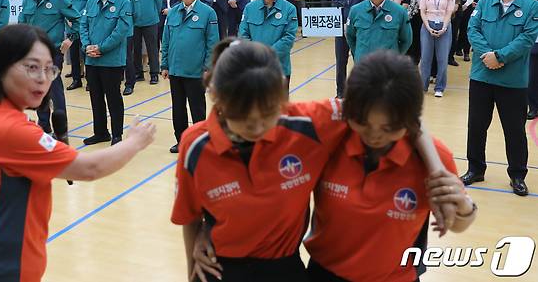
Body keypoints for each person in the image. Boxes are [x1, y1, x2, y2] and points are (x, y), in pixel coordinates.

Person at [179, 43, 462, 282]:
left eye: (267, 114)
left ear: (282, 94)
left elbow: (398, 113)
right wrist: (200, 247)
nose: (256, 127)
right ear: (216, 96)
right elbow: (189, 217)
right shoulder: (195, 145)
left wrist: (436, 169)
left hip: (285, 268)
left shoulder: (309, 123)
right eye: (242, 117)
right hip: (221, 265)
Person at [0, 24, 156, 282]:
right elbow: (89, 169)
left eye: (49, 69)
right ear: (1, 66)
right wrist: (135, 142)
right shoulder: (8, 130)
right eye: (32, 67)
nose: (43, 78)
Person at [304, 51, 475, 282]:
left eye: (389, 128)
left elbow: (456, 225)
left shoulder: (435, 158)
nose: (374, 135)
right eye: (363, 123)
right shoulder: (331, 139)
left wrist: (464, 206)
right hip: (324, 273)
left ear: (410, 119)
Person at [461, 0, 538, 196]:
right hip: (482, 76)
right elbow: (472, 31)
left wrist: (501, 57)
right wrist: (488, 56)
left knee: (514, 129)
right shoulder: (484, 4)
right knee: (476, 126)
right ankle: (475, 168)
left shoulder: (532, 6)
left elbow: (527, 38)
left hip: (512, 80)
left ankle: (517, 174)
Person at [18, 0, 80, 133]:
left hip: (53, 53)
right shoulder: (27, 0)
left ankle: (61, 127)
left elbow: (78, 19)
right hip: (32, 54)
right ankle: (44, 125)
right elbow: (22, 24)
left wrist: (70, 38)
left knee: (54, 88)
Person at [161, 0, 219, 153]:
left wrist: (208, 68)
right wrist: (164, 65)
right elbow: (166, 40)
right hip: (175, 70)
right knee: (178, 109)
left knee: (197, 109)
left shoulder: (208, 13)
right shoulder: (173, 12)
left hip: (196, 72)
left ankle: (201, 142)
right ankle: (182, 140)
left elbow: (213, 43)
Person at [79, 0, 132, 146]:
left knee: (113, 97)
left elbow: (121, 31)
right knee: (95, 97)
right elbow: (83, 25)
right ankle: (101, 132)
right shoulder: (91, 1)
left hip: (111, 60)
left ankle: (117, 134)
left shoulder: (123, 2)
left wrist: (101, 48)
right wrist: (86, 46)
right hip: (92, 60)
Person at [239, 0, 297, 89]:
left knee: (278, 108)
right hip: (253, 69)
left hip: (279, 69)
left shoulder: (290, 9)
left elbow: (289, 38)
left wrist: (266, 56)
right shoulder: (250, 8)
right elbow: (243, 35)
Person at [346, 0, 412, 62]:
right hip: (363, 68)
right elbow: (350, 37)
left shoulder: (400, 12)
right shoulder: (355, 10)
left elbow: (406, 41)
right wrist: (360, 55)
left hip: (389, 69)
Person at [331, 0, 368, 98]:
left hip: (358, 30)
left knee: (359, 61)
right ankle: (340, 92)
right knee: (340, 62)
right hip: (340, 30)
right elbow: (334, 6)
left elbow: (365, 8)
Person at [418, 0, 456, 98]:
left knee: (442, 58)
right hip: (427, 24)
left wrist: (444, 27)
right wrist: (428, 27)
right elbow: (422, 10)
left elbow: (449, 12)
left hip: (444, 25)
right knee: (426, 58)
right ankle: (423, 86)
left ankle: (439, 87)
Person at [127, 0, 162, 85]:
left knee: (152, 48)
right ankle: (138, 73)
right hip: (135, 22)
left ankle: (154, 74)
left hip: (151, 21)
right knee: (136, 49)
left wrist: (154, 13)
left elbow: (158, 1)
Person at [62, 0, 98, 91]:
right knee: (74, 55)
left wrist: (79, 19)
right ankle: (76, 79)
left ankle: (90, 81)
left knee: (86, 54)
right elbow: (63, 8)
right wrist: (68, 18)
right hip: (71, 28)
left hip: (84, 28)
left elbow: (91, 6)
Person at [114, 0, 138, 96]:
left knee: (127, 57)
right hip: (111, 31)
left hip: (126, 31)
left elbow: (136, 14)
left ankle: (130, 83)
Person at [407, 0, 428, 65]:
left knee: (418, 39)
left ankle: (415, 61)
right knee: (407, 37)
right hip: (407, 13)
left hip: (421, 15)